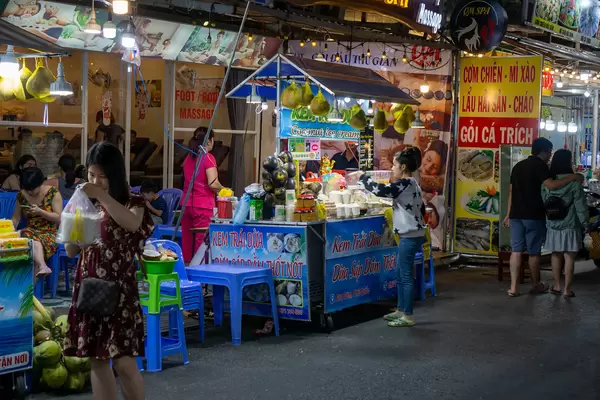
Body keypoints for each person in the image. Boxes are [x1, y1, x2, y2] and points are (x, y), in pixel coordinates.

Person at [63, 142, 153, 400]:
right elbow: (71, 250)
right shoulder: (85, 203)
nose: (96, 181)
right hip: (89, 287)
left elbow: (133, 224)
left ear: (115, 174)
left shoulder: (133, 200)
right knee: (97, 359)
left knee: (124, 361)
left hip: (120, 292)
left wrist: (101, 195)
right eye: (91, 175)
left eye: (102, 176)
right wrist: (74, 221)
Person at [503, 138, 583, 297]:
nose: (550, 155)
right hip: (534, 215)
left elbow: (511, 192)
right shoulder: (540, 166)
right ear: (544, 151)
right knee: (533, 253)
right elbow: (552, 185)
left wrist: (508, 214)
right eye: (550, 152)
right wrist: (574, 177)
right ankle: (535, 285)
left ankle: (513, 288)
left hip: (516, 215)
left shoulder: (518, 166)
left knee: (516, 251)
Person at [355, 147, 426, 327]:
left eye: (394, 165)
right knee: (400, 273)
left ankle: (408, 315)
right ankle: (401, 309)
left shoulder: (403, 184)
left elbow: (380, 190)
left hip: (410, 235)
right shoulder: (412, 183)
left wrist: (364, 178)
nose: (392, 168)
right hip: (410, 233)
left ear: (402, 166)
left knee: (406, 275)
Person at [542, 149, 587, 298]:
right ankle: (567, 290)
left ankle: (557, 286)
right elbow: (580, 206)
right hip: (570, 225)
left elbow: (544, 202)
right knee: (569, 258)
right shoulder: (574, 182)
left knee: (555, 255)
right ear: (568, 162)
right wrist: (585, 222)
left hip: (553, 225)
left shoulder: (547, 183)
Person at [181, 127, 225, 262]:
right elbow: (213, 183)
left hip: (186, 205)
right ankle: (200, 278)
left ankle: (186, 276)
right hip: (203, 207)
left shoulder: (188, 157)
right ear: (210, 141)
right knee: (201, 245)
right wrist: (226, 190)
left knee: (187, 243)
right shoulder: (208, 158)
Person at [11, 167, 62, 279]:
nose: (30, 192)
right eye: (27, 189)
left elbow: (59, 218)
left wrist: (40, 212)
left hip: (49, 233)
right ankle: (42, 267)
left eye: (33, 189)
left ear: (41, 183)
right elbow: (16, 218)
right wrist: (10, 228)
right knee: (24, 244)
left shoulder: (53, 193)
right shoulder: (21, 195)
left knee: (30, 245)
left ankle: (27, 293)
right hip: (30, 232)